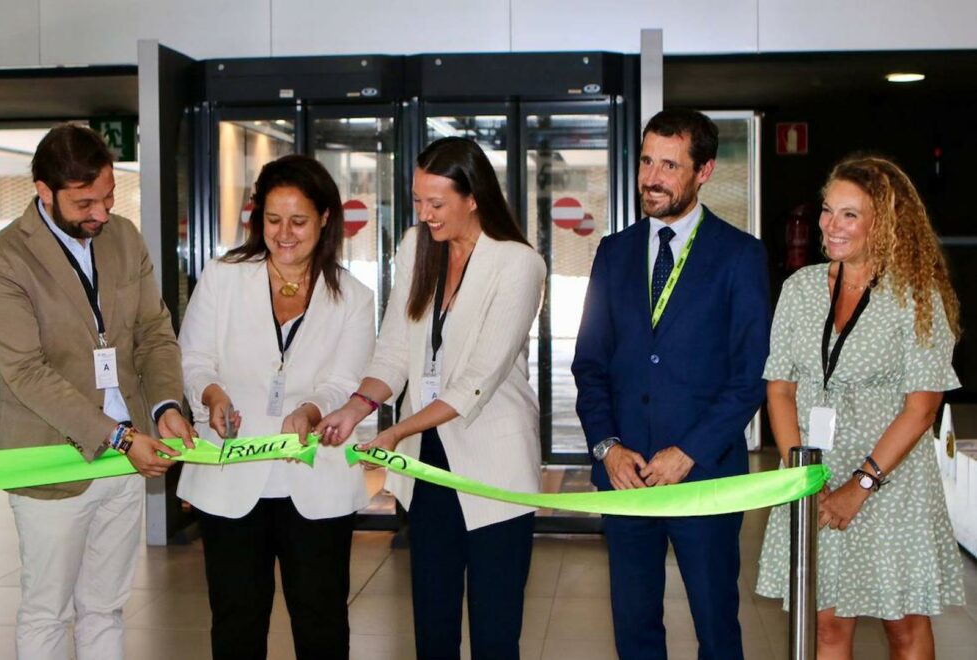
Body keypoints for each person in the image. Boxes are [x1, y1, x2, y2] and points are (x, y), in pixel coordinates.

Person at [317, 137, 546, 660]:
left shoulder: (518, 264)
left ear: (474, 197)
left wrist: (396, 431)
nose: (424, 214)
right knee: (433, 626)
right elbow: (396, 350)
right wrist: (356, 408)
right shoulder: (416, 246)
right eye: (418, 200)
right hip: (427, 463)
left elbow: (478, 381)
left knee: (494, 632)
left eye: (436, 203)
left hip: (494, 467)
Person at [0, 124, 193, 659]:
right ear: (44, 191)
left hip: (126, 456)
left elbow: (154, 333)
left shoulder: (124, 238)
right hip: (53, 458)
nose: (101, 213)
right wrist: (119, 437)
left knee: (105, 608)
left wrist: (166, 405)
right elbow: (26, 371)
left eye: (109, 196)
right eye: (84, 202)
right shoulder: (2, 259)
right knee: (47, 612)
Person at [572, 108, 771, 660]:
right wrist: (608, 448)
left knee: (716, 627)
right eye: (646, 162)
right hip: (627, 477)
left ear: (704, 171)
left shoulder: (740, 255)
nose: (651, 178)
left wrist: (688, 453)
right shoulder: (613, 252)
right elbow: (590, 365)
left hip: (705, 475)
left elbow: (750, 376)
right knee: (634, 628)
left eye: (669, 165)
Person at [755, 155, 964, 658]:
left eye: (849, 214)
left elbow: (922, 408)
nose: (831, 225)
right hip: (816, 476)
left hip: (891, 481)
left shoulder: (917, 295)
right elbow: (780, 389)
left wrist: (861, 485)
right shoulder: (800, 289)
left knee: (903, 626)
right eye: (828, 210)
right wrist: (801, 476)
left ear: (884, 223)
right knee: (826, 624)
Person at [176, 154, 374, 660]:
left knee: (322, 623)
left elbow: (345, 382)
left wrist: (311, 409)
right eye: (272, 219)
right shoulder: (223, 277)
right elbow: (194, 358)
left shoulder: (353, 297)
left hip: (316, 478)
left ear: (325, 218)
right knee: (236, 622)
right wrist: (211, 394)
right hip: (231, 477)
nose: (284, 234)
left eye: (299, 221)